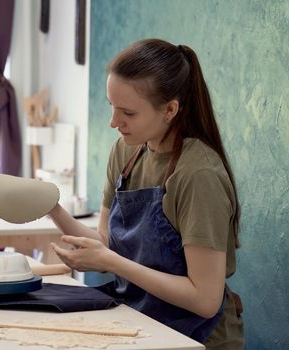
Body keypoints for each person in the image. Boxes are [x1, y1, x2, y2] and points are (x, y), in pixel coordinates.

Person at [48, 39, 244, 349]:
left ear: (170, 109)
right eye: (111, 106)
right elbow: (107, 245)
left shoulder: (197, 175)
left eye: (127, 112)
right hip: (139, 324)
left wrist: (113, 263)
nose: (114, 122)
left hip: (196, 337)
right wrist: (51, 208)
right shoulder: (126, 152)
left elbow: (204, 299)